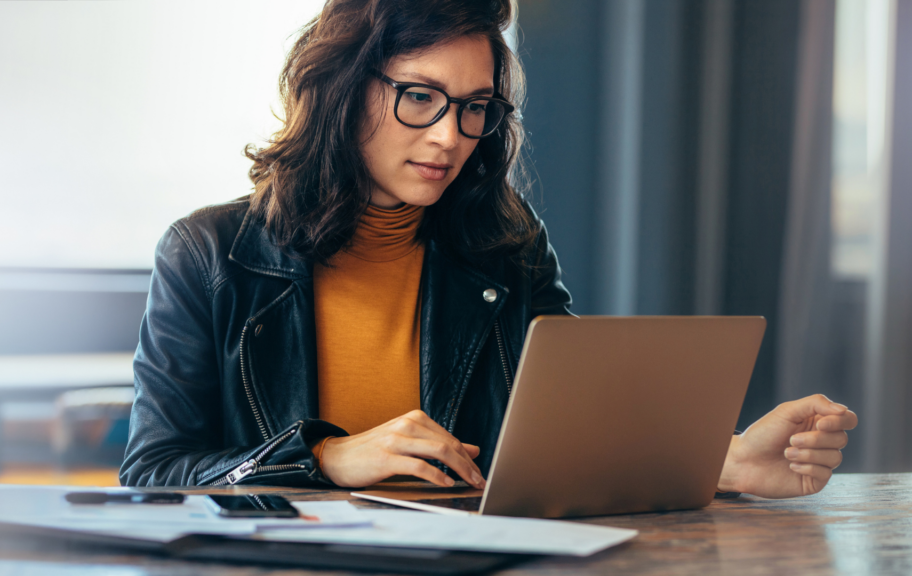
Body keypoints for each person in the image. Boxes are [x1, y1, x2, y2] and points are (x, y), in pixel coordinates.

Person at [120, 0, 858, 499]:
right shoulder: (209, 254)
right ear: (341, 88)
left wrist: (723, 460)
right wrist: (323, 459)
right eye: (420, 96)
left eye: (475, 107)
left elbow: (572, 434)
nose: (449, 135)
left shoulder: (505, 242)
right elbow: (153, 474)